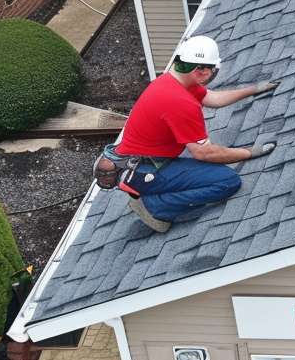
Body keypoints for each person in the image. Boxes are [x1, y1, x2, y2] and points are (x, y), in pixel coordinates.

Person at [94, 35, 279, 233]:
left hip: (141, 161)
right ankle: (155, 207)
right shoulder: (180, 102)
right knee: (227, 181)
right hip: (145, 170)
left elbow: (212, 98)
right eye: (211, 69)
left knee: (205, 172)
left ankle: (154, 194)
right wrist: (250, 152)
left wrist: (252, 90)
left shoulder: (170, 82)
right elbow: (204, 153)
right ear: (202, 71)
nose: (211, 74)